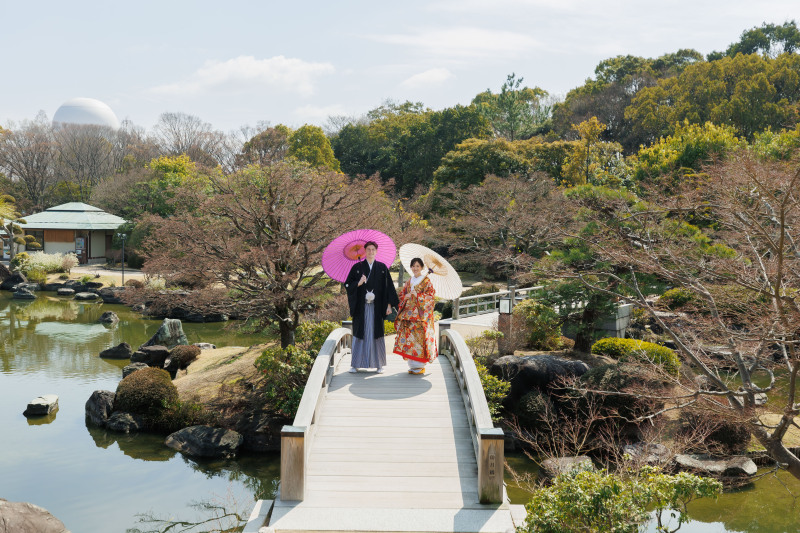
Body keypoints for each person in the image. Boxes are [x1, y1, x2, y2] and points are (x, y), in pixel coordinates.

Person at [344, 240, 399, 373]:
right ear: (365, 251)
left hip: (377, 307)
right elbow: (347, 285)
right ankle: (355, 364)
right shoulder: (357, 268)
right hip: (361, 307)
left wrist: (389, 305)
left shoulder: (382, 268)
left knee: (377, 333)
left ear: (376, 251)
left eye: (373, 249)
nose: (370, 252)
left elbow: (389, 288)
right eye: (368, 249)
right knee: (359, 333)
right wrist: (358, 283)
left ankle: (379, 364)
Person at [393, 257, 437, 375]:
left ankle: (420, 366)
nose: (415, 268)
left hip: (420, 316)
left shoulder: (426, 281)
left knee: (419, 340)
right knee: (409, 339)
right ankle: (412, 365)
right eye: (413, 266)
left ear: (422, 267)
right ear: (411, 267)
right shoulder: (409, 281)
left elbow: (431, 297)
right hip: (408, 315)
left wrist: (418, 296)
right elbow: (402, 294)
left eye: (417, 266)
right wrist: (406, 296)